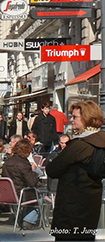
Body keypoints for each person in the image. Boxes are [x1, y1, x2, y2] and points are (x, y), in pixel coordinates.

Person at [47, 100, 105, 241]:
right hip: (90, 207)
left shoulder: (79, 145)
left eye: (75, 117)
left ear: (86, 118)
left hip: (71, 210)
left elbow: (53, 170)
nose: (71, 120)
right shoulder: (101, 141)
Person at [1, 138, 40, 228]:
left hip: (8, 193)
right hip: (21, 194)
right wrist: (34, 171)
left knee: (33, 193)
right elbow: (32, 183)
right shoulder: (24, 163)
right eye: (29, 150)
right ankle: (29, 220)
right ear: (26, 151)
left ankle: (19, 217)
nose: (30, 151)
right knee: (40, 195)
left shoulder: (7, 162)